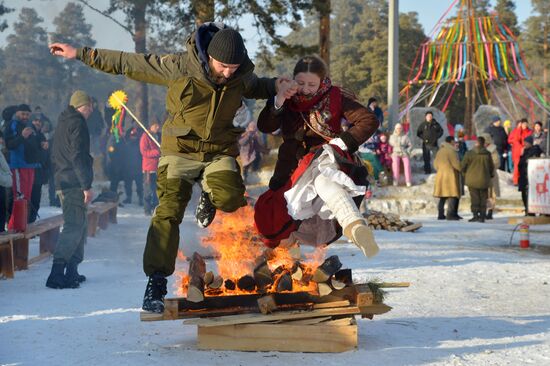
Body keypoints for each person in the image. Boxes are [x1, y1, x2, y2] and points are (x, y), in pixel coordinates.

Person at [50, 23, 281, 312]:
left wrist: (277, 85)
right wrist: (80, 53)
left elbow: (258, 85)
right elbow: (127, 63)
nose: (228, 73)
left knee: (231, 198)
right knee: (168, 212)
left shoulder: (241, 75)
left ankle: (209, 196)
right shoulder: (178, 66)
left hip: (218, 151)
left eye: (234, 67)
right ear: (209, 56)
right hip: (179, 152)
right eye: (223, 66)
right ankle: (156, 282)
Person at [254, 55, 380, 258]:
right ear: (294, 78)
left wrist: (342, 142)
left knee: (323, 180)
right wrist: (278, 100)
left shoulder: (336, 96)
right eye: (301, 82)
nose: (305, 89)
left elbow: (368, 120)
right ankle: (290, 264)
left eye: (312, 84)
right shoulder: (287, 96)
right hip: (290, 166)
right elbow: (265, 126)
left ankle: (355, 226)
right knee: (277, 213)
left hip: (324, 157)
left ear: (322, 81)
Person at [46, 91, 94, 289]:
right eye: (90, 106)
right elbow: (77, 156)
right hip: (72, 182)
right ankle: (56, 273)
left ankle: (72, 270)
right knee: (74, 225)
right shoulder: (78, 123)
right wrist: (86, 185)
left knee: (80, 225)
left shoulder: (64, 122)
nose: (92, 110)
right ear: (84, 105)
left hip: (63, 180)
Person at [4, 104, 40, 230]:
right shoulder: (12, 125)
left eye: (27, 114)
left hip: (31, 165)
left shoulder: (29, 124)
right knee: (19, 196)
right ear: (17, 113)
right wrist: (22, 136)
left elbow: (34, 143)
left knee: (27, 197)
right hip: (18, 165)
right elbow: (9, 145)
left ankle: (23, 224)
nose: (25, 116)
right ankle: (14, 226)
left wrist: (40, 136)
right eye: (23, 114)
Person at [461, 136, 494, 223]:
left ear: (476, 143)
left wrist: (465, 174)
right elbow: (491, 167)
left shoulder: (469, 153)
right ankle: (482, 216)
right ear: (484, 144)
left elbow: (463, 166)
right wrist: (490, 175)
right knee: (483, 197)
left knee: (474, 198)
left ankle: (475, 215)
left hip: (472, 179)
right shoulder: (487, 154)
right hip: (484, 179)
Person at [433, 136, 461, 220]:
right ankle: (451, 214)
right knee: (452, 194)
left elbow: (435, 165)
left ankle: (440, 214)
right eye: (454, 141)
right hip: (450, 176)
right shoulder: (451, 151)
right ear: (451, 141)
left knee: (442, 196)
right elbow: (456, 164)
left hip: (441, 176)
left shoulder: (440, 151)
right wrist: (462, 168)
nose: (455, 143)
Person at [28, 114, 49, 223]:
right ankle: (27, 224)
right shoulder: (29, 134)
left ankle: (32, 222)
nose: (38, 123)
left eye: (40, 121)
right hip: (29, 171)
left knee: (36, 199)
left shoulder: (42, 136)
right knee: (29, 199)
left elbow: (45, 157)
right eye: (36, 120)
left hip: (39, 172)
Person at [518, 135, 543, 216]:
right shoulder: (525, 151)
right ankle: (527, 209)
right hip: (523, 175)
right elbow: (520, 164)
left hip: (530, 176)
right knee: (523, 194)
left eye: (526, 142)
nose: (524, 144)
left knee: (529, 194)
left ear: (530, 143)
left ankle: (531, 210)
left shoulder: (534, 150)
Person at [140, 122, 161, 216]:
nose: (157, 127)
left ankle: (155, 208)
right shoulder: (145, 136)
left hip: (157, 167)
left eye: (158, 125)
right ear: (151, 126)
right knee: (148, 190)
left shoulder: (158, 136)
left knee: (156, 190)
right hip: (148, 168)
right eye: (155, 125)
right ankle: (147, 210)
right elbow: (144, 151)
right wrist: (156, 152)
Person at [479, 133, 500, 220]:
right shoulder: (479, 149)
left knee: (491, 194)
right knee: (482, 194)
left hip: (491, 175)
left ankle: (490, 212)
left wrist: (487, 167)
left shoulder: (493, 150)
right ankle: (483, 211)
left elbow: (496, 162)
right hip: (481, 175)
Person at [122, 126, 143, 205]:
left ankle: (141, 198)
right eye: (132, 135)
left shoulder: (139, 143)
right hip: (127, 168)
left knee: (139, 185)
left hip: (138, 168)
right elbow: (122, 155)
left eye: (135, 135)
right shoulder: (125, 143)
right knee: (127, 184)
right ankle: (128, 197)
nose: (133, 137)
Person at [508, 118, 532, 185]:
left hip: (526, 150)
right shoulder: (516, 131)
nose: (524, 125)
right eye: (523, 124)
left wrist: (525, 146)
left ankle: (525, 180)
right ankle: (516, 181)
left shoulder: (529, 131)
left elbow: (530, 140)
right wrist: (518, 129)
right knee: (517, 166)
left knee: (525, 166)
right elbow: (515, 139)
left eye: (526, 124)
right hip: (517, 151)